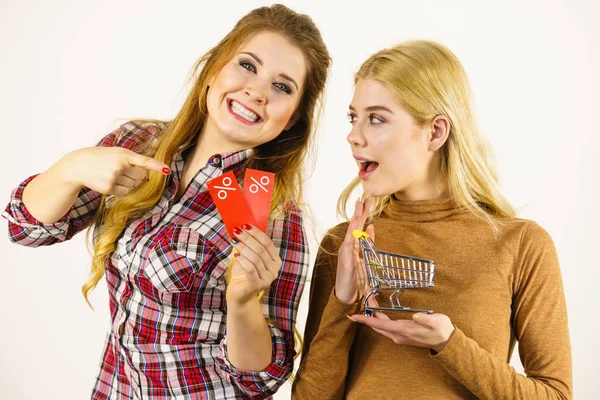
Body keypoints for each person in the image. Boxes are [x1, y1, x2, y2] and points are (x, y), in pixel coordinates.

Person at [2, 4, 330, 399]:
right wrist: (70, 168)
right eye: (247, 65)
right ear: (214, 69)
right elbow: (26, 230)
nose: (256, 92)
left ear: (292, 118)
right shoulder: (137, 142)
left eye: (282, 86)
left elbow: (261, 380)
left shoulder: (277, 215)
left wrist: (243, 303)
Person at [292, 40, 571, 399]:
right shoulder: (345, 243)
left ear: (436, 132)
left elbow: (556, 395)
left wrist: (449, 344)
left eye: (376, 118)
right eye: (353, 117)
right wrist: (343, 299)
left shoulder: (521, 245)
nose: (353, 136)